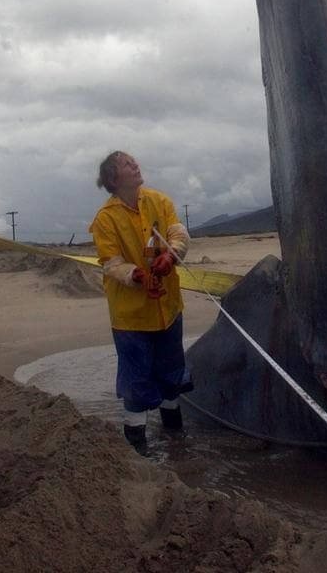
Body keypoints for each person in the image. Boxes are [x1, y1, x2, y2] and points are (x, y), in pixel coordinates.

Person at [89, 151, 193, 455]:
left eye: (134, 162)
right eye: (127, 164)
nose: (135, 166)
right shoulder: (105, 219)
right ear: (113, 179)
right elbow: (111, 263)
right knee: (136, 382)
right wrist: (136, 275)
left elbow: (177, 232)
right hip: (131, 318)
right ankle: (137, 451)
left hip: (168, 309)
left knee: (172, 374)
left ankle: (177, 443)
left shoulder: (159, 201)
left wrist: (171, 255)